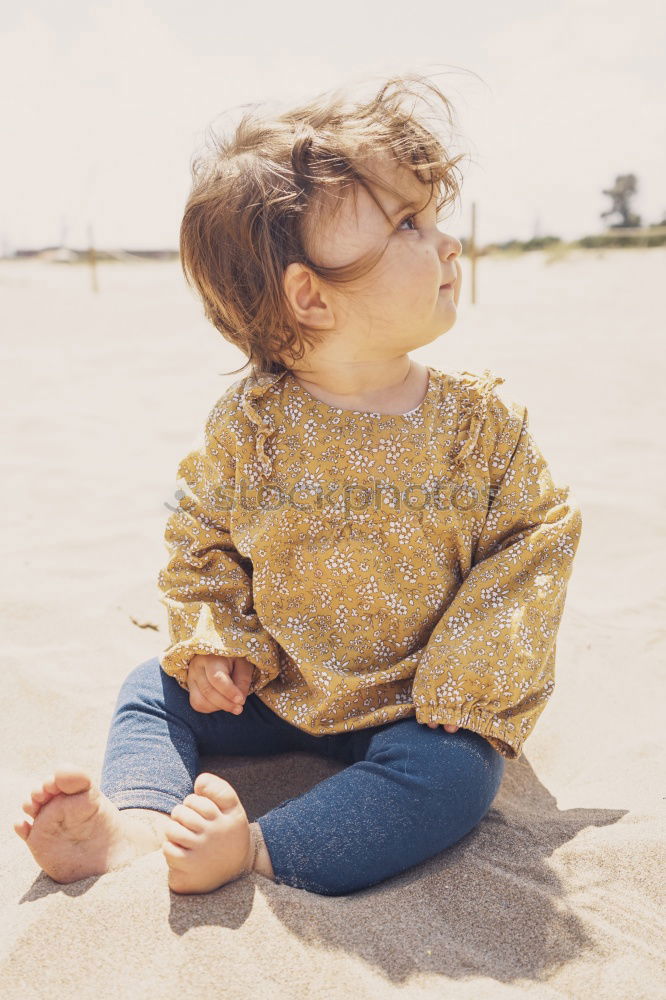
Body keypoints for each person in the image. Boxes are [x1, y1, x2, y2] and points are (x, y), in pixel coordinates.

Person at [13, 73, 583, 896]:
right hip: (279, 682)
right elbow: (200, 534)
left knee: (458, 775)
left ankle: (259, 849)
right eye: (410, 225)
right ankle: (137, 822)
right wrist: (216, 642)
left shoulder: (480, 426)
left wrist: (468, 674)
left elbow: (535, 537)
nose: (447, 243)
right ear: (310, 295)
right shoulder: (251, 426)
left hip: (418, 704)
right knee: (153, 687)